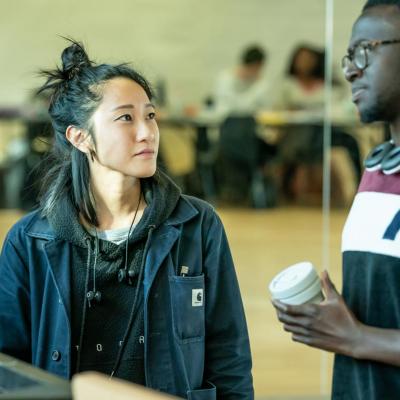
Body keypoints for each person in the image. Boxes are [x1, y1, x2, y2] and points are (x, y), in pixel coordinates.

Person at [0, 40, 254, 399]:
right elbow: (9, 366)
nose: (147, 131)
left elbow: (229, 355)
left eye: (150, 115)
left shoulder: (197, 224)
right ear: (80, 137)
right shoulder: (30, 240)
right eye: (125, 118)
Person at [273, 1, 400, 398]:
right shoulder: (380, 169)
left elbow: (360, 336)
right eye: (348, 55)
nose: (349, 69)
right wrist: (330, 320)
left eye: (366, 50)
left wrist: (358, 338)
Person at [275, 44, 362, 203]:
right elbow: (278, 109)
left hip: (325, 131)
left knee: (351, 142)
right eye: (301, 59)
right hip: (297, 134)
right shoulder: (288, 85)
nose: (304, 63)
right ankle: (285, 190)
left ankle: (361, 188)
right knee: (300, 141)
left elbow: (341, 107)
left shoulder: (329, 86)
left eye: (308, 59)